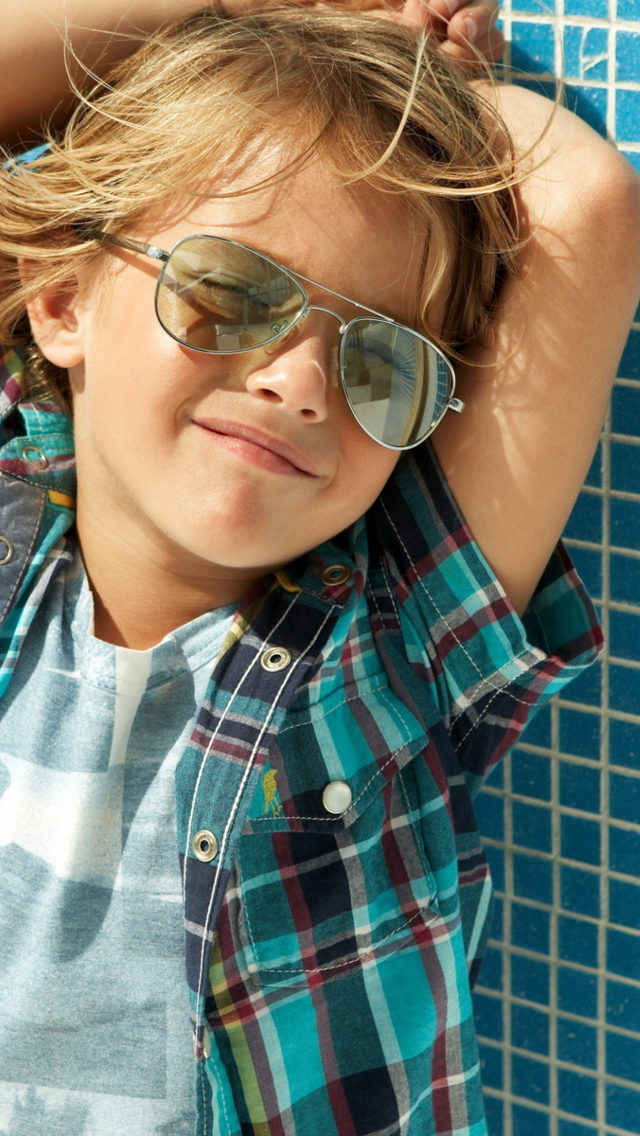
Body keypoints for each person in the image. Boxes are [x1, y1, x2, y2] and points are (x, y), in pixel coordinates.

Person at [0, 3, 638, 1135]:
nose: (300, 383)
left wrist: (415, 80)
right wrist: (274, 12)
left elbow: (584, 208)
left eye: (379, 358)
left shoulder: (401, 632)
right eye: (231, 290)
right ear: (60, 300)